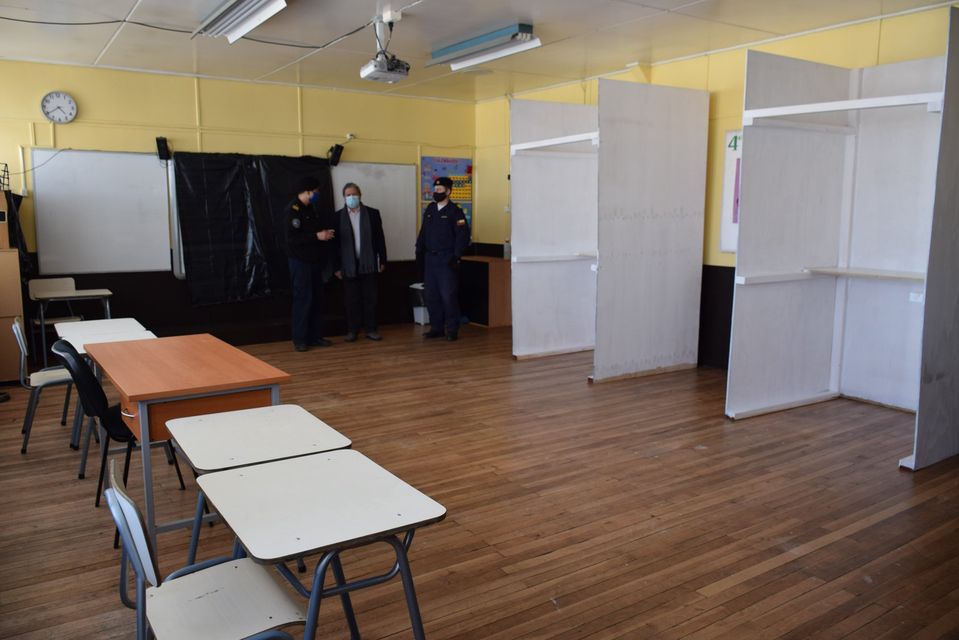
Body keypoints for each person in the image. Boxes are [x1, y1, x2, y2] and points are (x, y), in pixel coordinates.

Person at [284, 176, 336, 352]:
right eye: (315, 191)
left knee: (316, 299)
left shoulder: (310, 208)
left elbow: (313, 232)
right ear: (307, 192)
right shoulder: (293, 210)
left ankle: (315, 337)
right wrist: (316, 236)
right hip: (300, 262)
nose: (317, 194)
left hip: (314, 261)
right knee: (303, 300)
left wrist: (323, 234)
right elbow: (292, 239)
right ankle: (300, 339)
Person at [415, 176, 470, 341]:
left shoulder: (455, 211)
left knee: (448, 296)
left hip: (446, 259)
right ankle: (436, 327)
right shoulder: (431, 209)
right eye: (435, 189)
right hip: (430, 259)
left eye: (440, 190)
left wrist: (457, 256)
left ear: (448, 191)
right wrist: (419, 251)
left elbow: (462, 236)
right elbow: (423, 231)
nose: (436, 192)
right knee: (431, 296)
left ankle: (452, 329)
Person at [334, 182, 387, 342]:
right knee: (352, 300)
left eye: (354, 194)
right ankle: (352, 330)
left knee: (371, 298)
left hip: (369, 263)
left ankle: (371, 329)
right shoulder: (337, 217)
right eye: (348, 195)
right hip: (348, 265)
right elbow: (334, 245)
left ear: (360, 195)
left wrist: (383, 260)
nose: (351, 197)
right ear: (344, 197)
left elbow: (380, 238)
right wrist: (336, 267)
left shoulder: (372, 213)